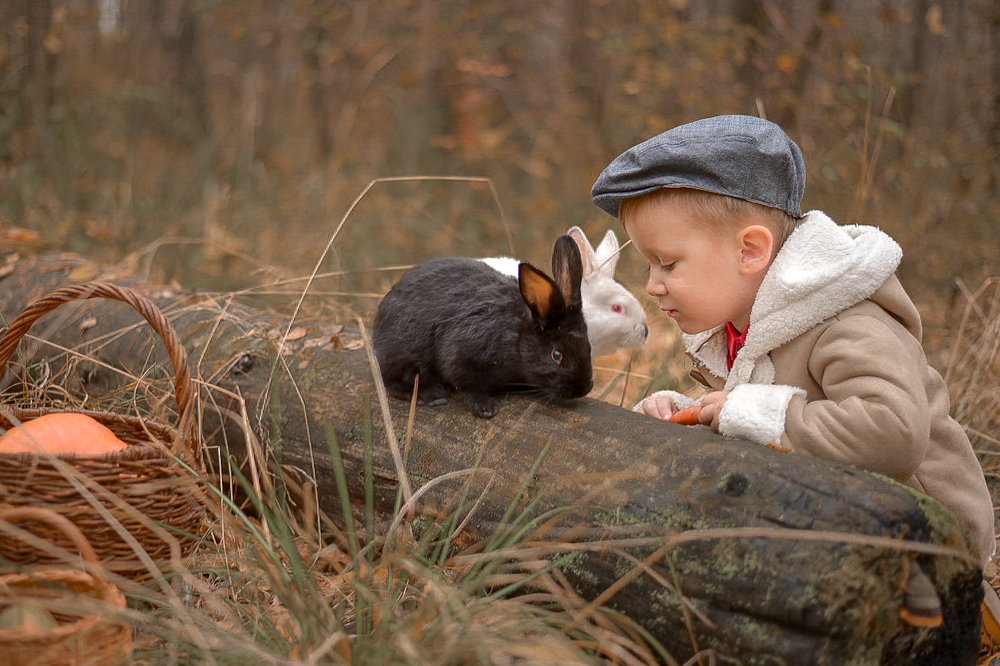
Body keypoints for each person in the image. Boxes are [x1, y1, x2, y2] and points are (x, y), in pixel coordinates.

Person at [590, 114, 995, 571]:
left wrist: (750, 413)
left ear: (750, 251)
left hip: (929, 549)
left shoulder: (845, 320)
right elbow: (778, 418)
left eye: (666, 264)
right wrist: (690, 415)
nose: (652, 286)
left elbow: (893, 433)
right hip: (835, 522)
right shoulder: (748, 321)